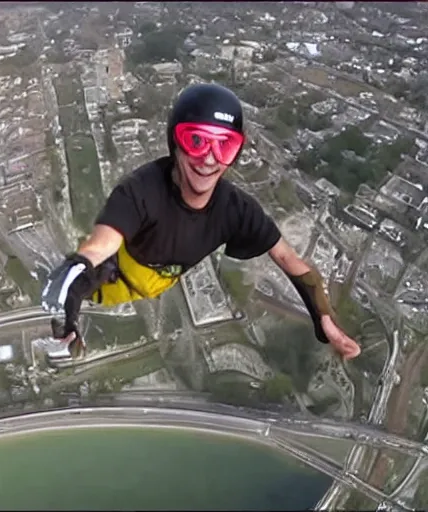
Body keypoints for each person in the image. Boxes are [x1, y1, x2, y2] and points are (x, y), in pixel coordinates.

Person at [41, 82, 361, 361]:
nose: (209, 159)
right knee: (89, 277)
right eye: (196, 141)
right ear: (175, 142)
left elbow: (289, 260)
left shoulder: (235, 210)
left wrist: (324, 320)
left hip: (153, 280)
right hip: (113, 281)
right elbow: (102, 243)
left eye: (225, 146)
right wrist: (77, 268)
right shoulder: (139, 192)